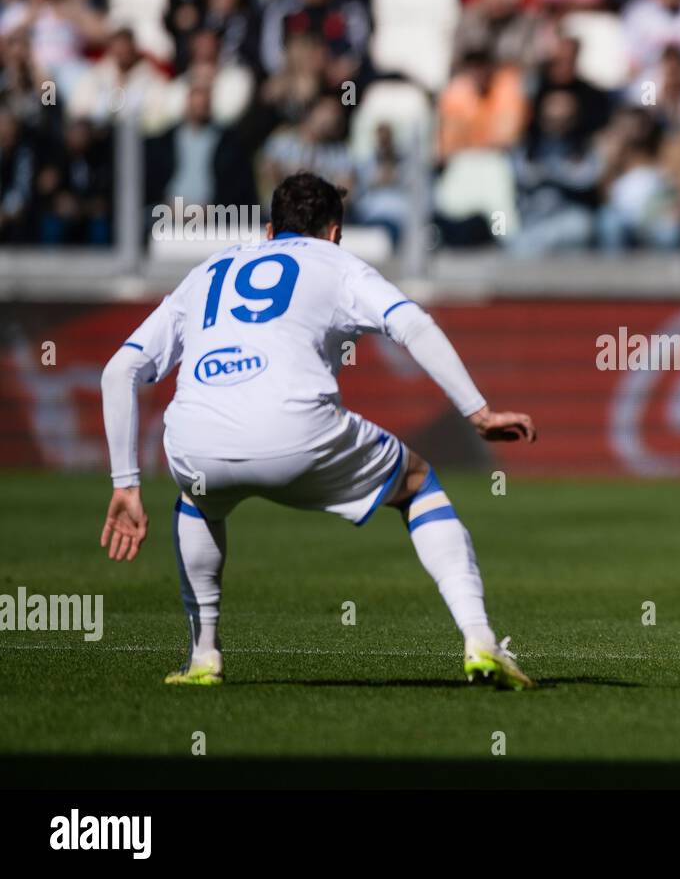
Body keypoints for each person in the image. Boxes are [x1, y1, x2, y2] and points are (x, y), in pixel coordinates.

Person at [99, 173, 539, 689]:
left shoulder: (208, 270)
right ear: (333, 233)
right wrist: (478, 412)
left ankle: (203, 658)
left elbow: (119, 371)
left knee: (197, 501)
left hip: (195, 442)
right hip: (297, 431)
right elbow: (411, 323)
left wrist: (125, 483)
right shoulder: (339, 263)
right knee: (419, 485)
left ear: (268, 230)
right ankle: (480, 639)